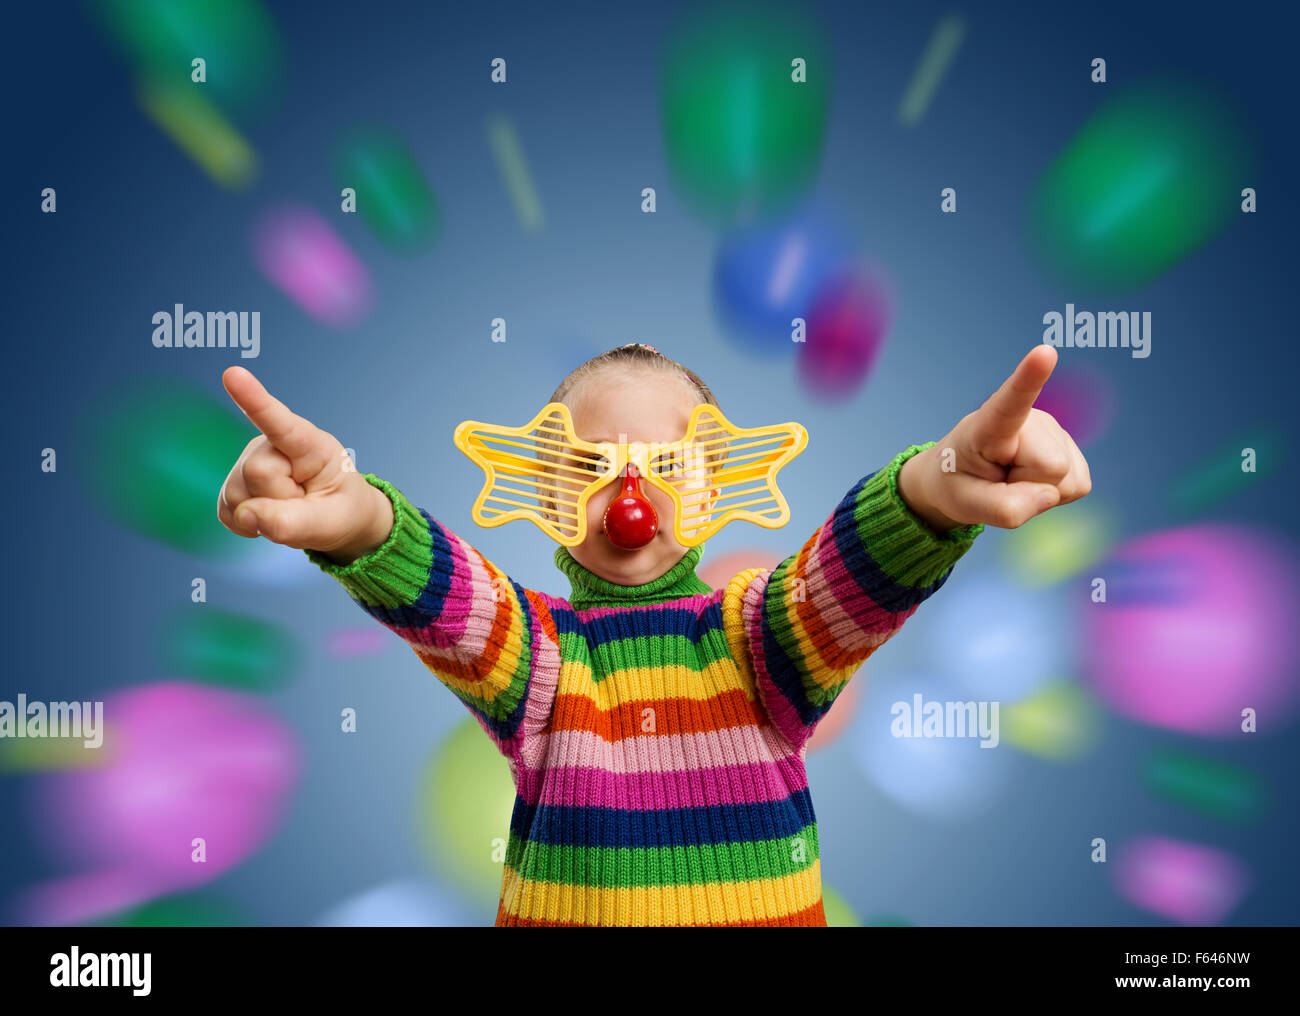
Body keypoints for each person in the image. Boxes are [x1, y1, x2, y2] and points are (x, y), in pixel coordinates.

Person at [217, 341, 1090, 926]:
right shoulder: (539, 654)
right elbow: (441, 588)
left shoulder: (759, 637)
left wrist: (941, 480)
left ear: (720, 484)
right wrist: (357, 515)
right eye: (591, 466)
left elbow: (850, 570)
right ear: (543, 488)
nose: (631, 495)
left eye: (669, 466)